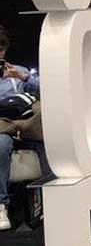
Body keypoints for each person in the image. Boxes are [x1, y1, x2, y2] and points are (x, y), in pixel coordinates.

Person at [0, 25, 53, 230]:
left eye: (2, 51)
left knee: (46, 142)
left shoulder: (19, 71)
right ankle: (2, 205)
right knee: (1, 145)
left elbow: (48, 89)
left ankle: (53, 199)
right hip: (3, 128)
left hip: (25, 126)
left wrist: (23, 78)